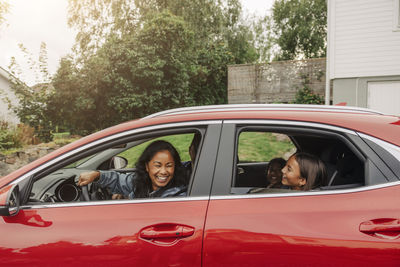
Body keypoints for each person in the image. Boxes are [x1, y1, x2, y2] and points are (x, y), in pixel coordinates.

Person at [77, 140, 187, 199]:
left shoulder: (176, 196)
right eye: (157, 165)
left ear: (175, 167)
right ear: (146, 166)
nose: (163, 171)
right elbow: (118, 180)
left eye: (169, 165)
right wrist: (97, 175)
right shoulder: (143, 182)